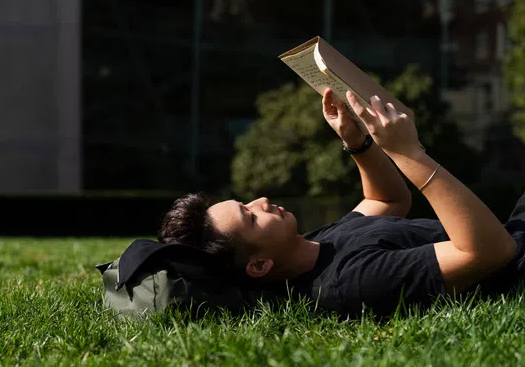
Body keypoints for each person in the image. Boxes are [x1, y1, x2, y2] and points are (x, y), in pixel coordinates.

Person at [158, 88, 525, 316]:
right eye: (251, 217)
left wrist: (356, 141)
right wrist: (409, 154)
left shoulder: (319, 245)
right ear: (259, 265)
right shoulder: (351, 281)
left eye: (247, 203)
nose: (262, 201)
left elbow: (388, 199)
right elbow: (492, 252)